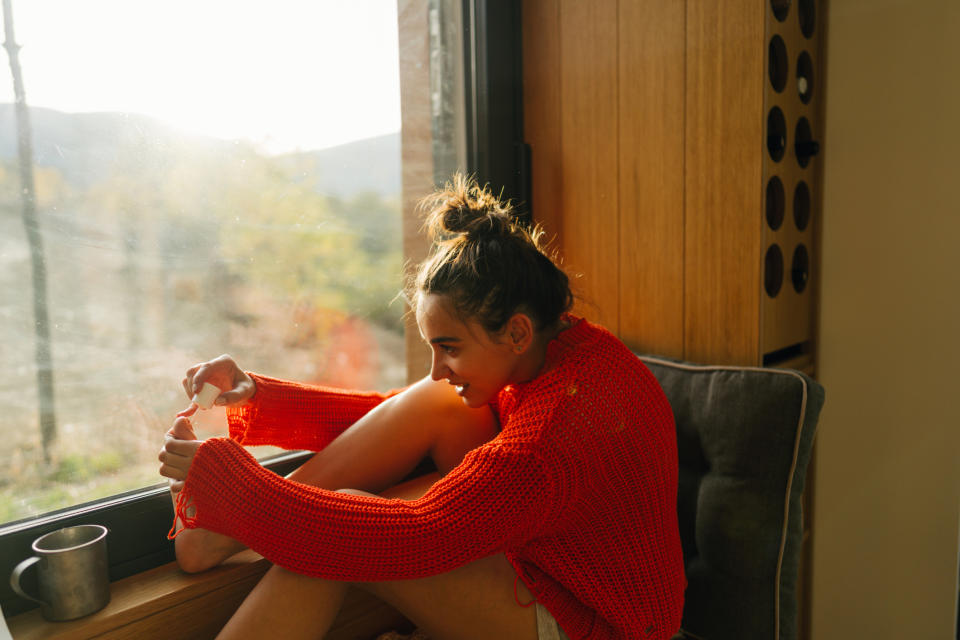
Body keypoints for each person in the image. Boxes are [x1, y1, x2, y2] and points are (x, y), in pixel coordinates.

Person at [158, 174, 686, 640]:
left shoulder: (545, 444)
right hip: (554, 553)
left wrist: (236, 485)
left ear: (517, 330)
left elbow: (414, 538)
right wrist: (256, 394)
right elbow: (394, 412)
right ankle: (215, 533)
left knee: (339, 535)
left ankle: (219, 527)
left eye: (450, 347)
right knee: (439, 402)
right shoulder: (559, 348)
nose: (437, 367)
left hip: (595, 626)